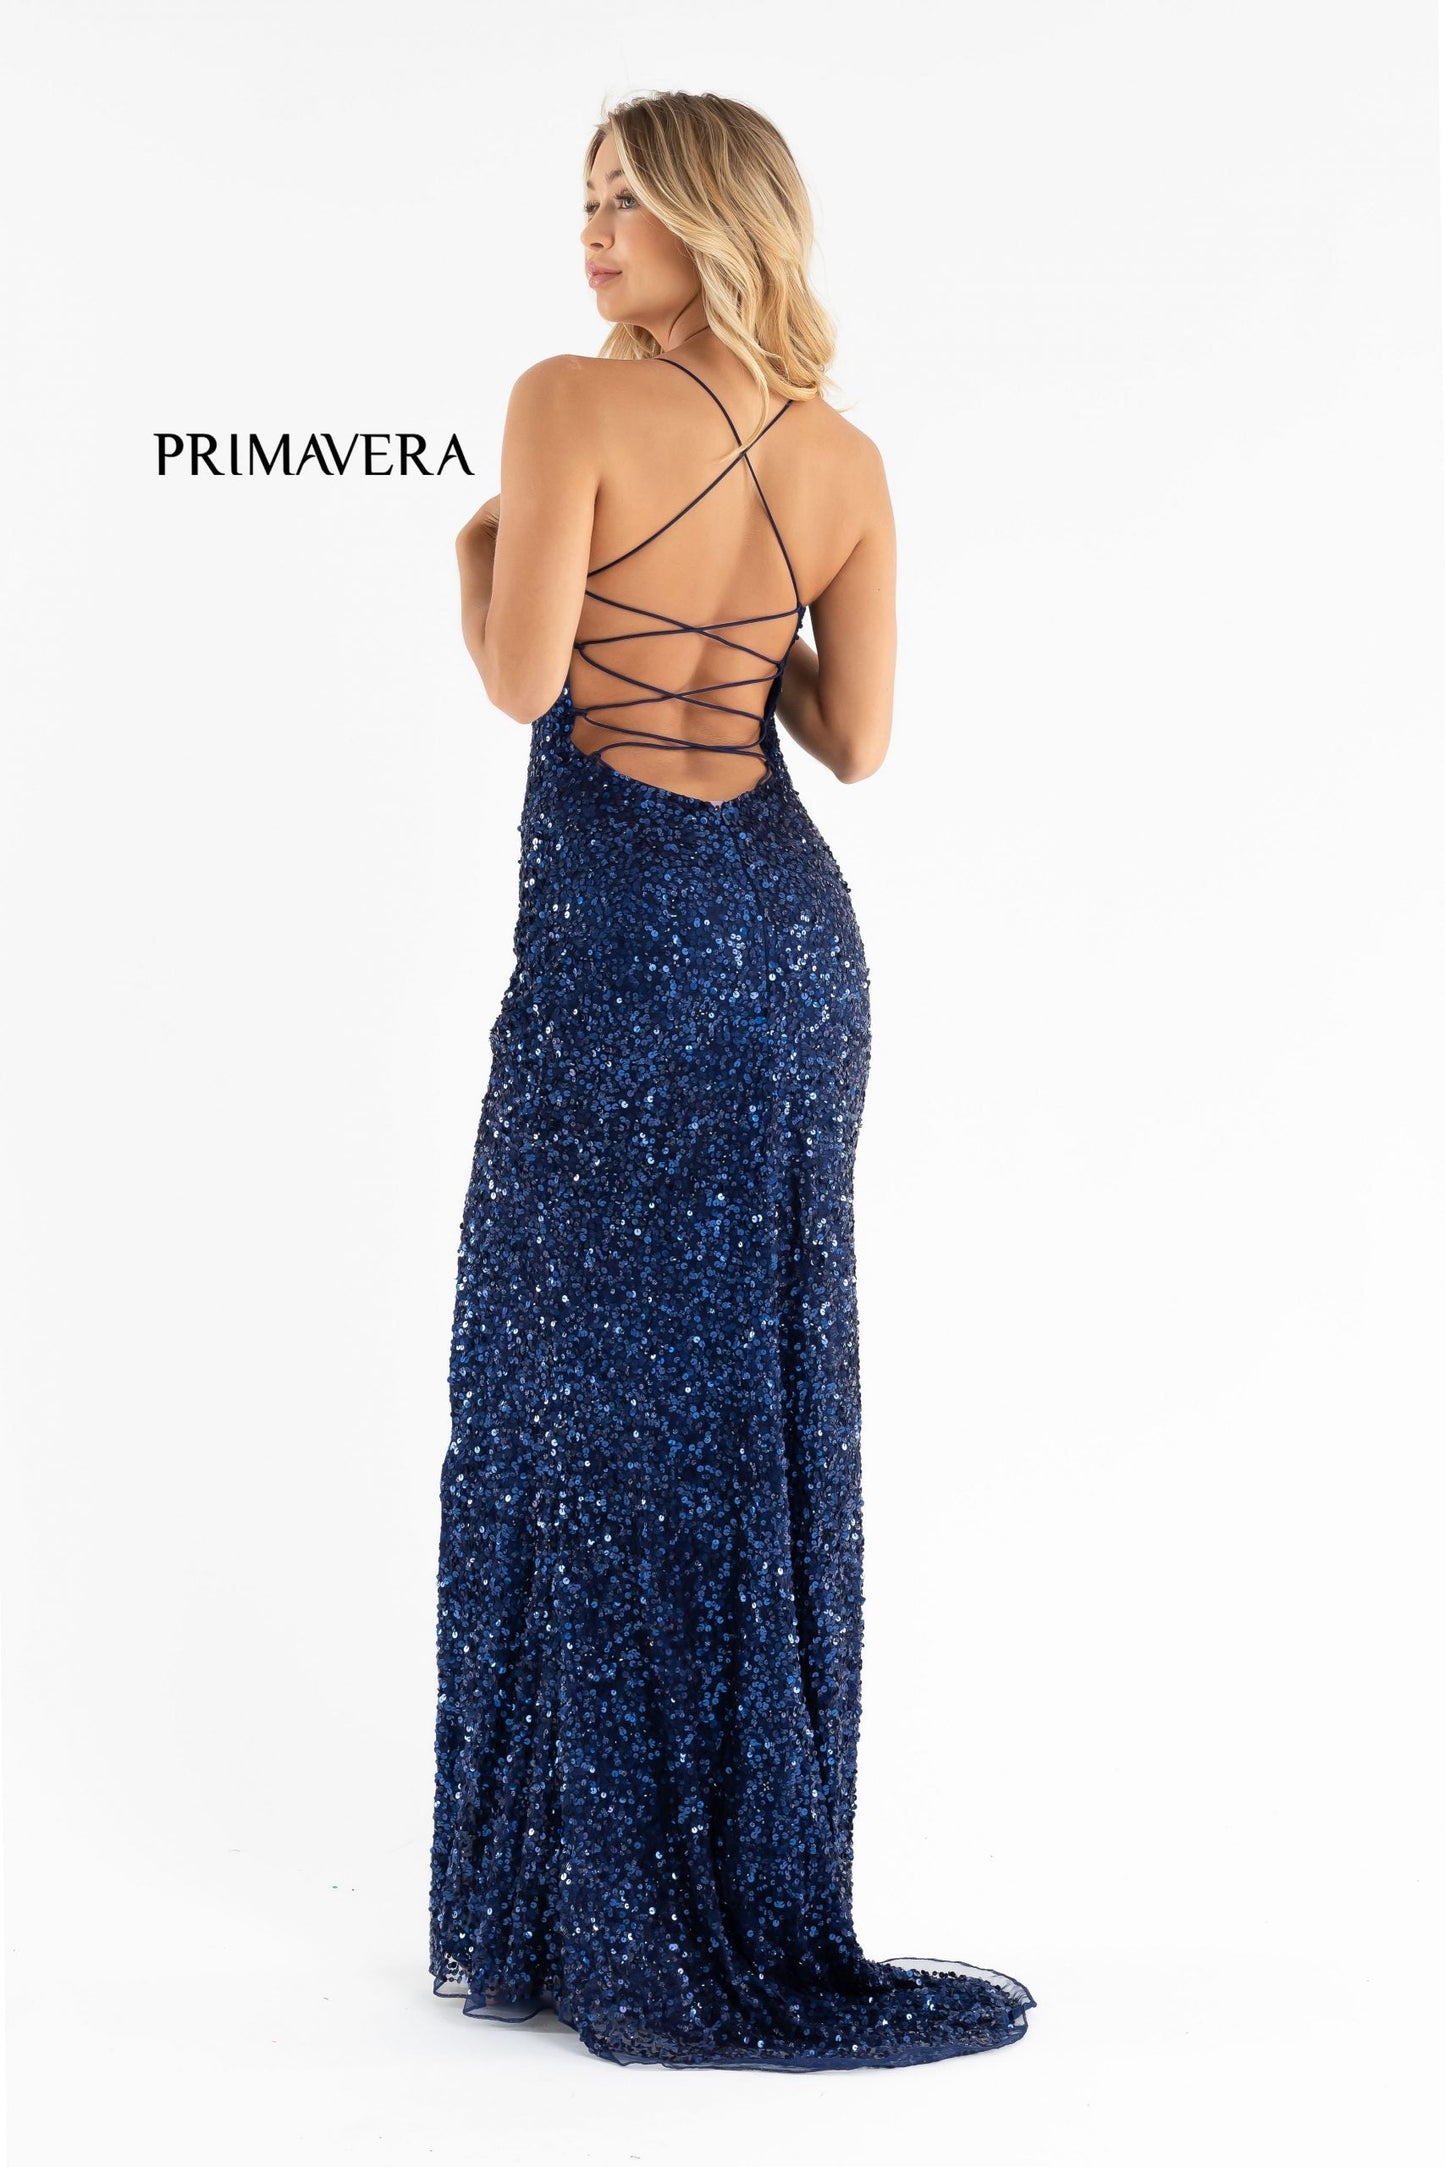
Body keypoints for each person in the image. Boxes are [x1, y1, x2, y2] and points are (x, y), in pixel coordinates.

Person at [430, 89, 1036, 2071]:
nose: (592, 232)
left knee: (568, 1388)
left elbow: (523, 680)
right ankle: (715, 1880)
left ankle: (591, 1901)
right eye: (583, 199)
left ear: (715, 218)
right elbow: (855, 738)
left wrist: (476, 547)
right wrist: (733, 621)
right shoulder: (845, 457)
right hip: (784, 947)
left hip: (621, 941)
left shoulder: (563, 405)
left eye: (627, 200)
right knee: (737, 1400)